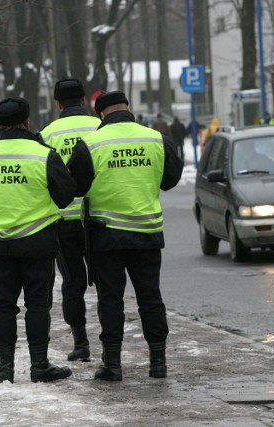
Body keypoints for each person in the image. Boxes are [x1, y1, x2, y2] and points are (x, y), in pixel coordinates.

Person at [67, 91, 183, 381]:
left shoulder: (90, 144)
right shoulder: (157, 139)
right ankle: (158, 363)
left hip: (106, 236)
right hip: (147, 233)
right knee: (150, 298)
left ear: (100, 114)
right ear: (128, 108)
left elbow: (75, 187)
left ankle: (113, 364)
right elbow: (170, 180)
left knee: (110, 299)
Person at [0, 97, 76, 384]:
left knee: (3, 303)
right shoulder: (44, 154)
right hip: (38, 241)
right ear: (28, 122)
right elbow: (65, 196)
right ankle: (39, 365)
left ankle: (4, 367)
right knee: (38, 304)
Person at [40, 78, 101, 362]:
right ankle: (110, 342)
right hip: (98, 216)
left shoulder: (47, 134)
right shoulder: (100, 128)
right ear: (85, 100)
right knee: (106, 282)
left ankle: (81, 343)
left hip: (64, 221)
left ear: (58, 104)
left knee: (72, 283)